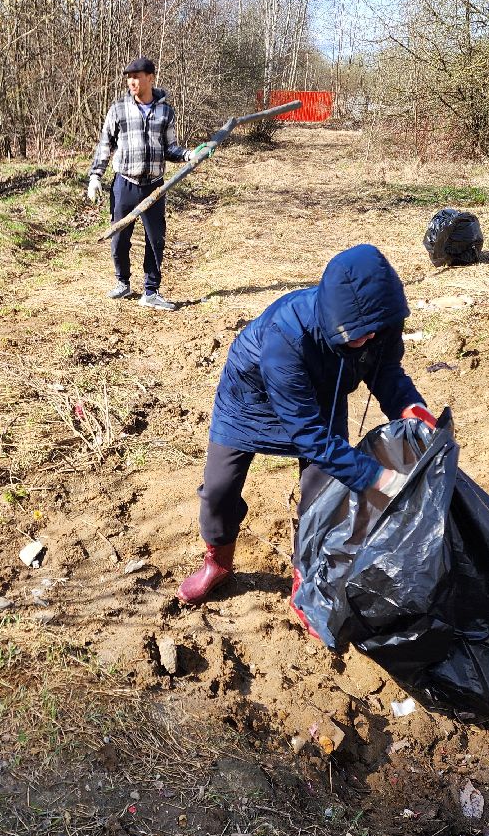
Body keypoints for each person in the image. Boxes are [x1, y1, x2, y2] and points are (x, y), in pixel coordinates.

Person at [177, 243, 437, 605]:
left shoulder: (379, 321)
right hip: (250, 399)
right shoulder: (286, 335)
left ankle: (307, 578)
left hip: (323, 395)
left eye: (375, 331)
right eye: (357, 335)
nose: (370, 340)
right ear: (335, 320)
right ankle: (217, 563)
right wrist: (379, 478)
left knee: (322, 496)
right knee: (219, 489)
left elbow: (387, 371)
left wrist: (410, 408)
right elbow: (309, 436)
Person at [87, 57, 213, 311]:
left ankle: (151, 291)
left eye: (137, 76)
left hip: (155, 187)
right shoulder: (119, 108)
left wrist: (190, 155)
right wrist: (95, 176)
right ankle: (123, 283)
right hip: (125, 183)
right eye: (129, 77)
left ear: (151, 78)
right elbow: (105, 145)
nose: (132, 81)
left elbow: (170, 148)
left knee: (156, 239)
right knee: (120, 238)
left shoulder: (165, 111)